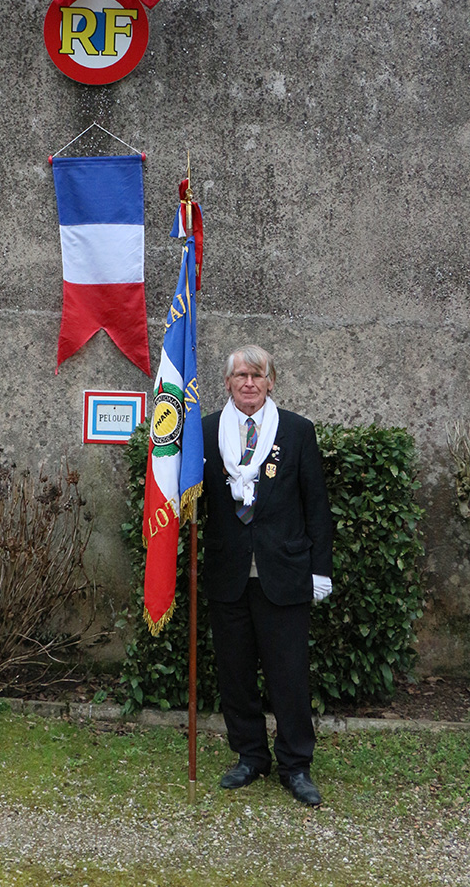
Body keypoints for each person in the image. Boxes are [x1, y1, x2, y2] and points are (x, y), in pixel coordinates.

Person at [201, 344, 332, 806]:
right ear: (228, 383)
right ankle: (250, 756)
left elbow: (316, 506)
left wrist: (321, 570)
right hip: (228, 573)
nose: (249, 383)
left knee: (289, 675)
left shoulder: (297, 431)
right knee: (235, 673)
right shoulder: (206, 431)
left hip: (284, 573)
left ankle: (296, 765)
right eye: (241, 376)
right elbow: (193, 499)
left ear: (271, 381)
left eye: (258, 375)